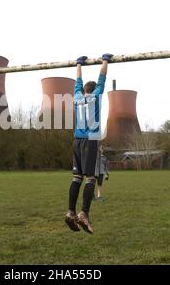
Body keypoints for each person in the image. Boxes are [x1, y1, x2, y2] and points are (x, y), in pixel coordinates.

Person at [65, 53, 113, 234]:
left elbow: (77, 80)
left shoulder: (77, 97)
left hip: (76, 141)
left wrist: (78, 63)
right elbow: (103, 77)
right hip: (90, 141)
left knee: (76, 177)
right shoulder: (97, 96)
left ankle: (70, 212)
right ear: (94, 90)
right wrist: (105, 61)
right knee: (90, 178)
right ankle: (83, 213)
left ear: (84, 89)